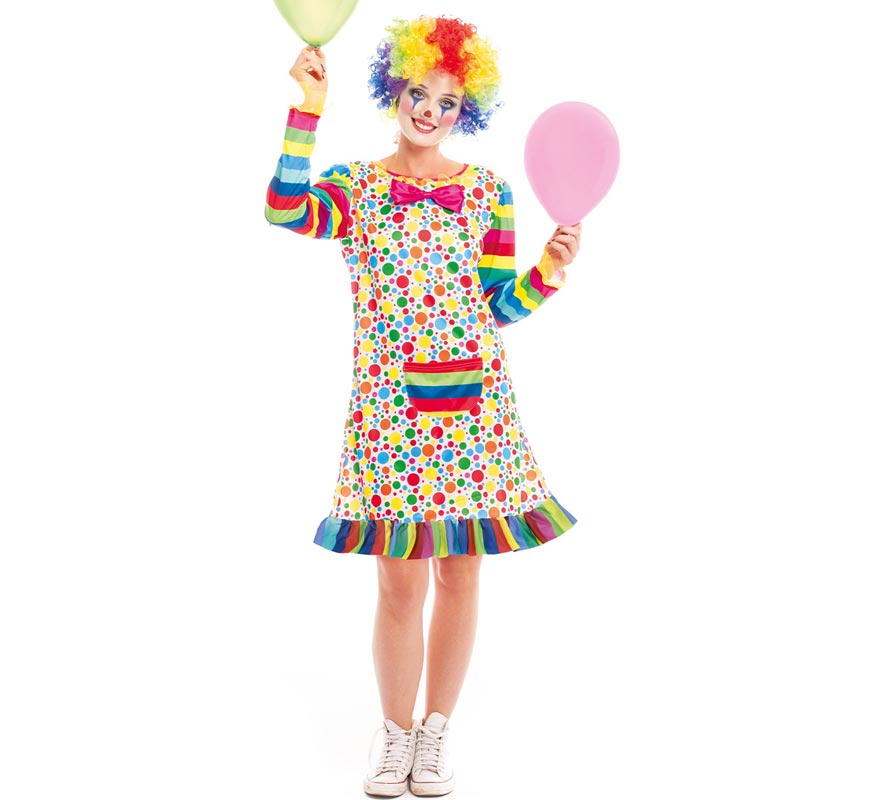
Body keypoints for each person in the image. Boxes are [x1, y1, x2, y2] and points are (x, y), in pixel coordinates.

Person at [265, 15, 583, 798]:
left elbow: (497, 306)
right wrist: (306, 109)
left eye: (448, 101)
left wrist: (548, 272)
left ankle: (436, 732)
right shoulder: (356, 187)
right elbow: (285, 209)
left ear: (465, 110)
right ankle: (395, 732)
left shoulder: (488, 193)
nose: (430, 111)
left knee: (461, 572)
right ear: (394, 91)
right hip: (388, 413)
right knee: (399, 583)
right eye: (419, 93)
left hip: (475, 412)